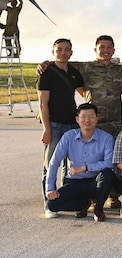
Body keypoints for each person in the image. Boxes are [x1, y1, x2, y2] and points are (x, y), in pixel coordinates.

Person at [45, 103, 114, 222]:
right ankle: (83, 204)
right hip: (74, 181)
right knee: (52, 205)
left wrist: (85, 167)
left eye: (91, 116)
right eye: (83, 117)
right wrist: (50, 188)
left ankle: (98, 209)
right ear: (77, 119)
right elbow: (54, 162)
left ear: (97, 119)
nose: (87, 120)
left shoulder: (106, 138)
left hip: (95, 182)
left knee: (108, 174)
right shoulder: (68, 136)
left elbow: (109, 163)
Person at [38, 38, 84, 218]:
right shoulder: (47, 72)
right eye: (59, 49)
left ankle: (64, 200)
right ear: (53, 52)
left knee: (69, 166)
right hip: (55, 125)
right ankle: (49, 204)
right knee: (50, 166)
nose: (63, 53)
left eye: (67, 50)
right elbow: (43, 103)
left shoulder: (74, 73)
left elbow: (84, 92)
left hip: (72, 126)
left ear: (71, 53)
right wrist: (47, 128)